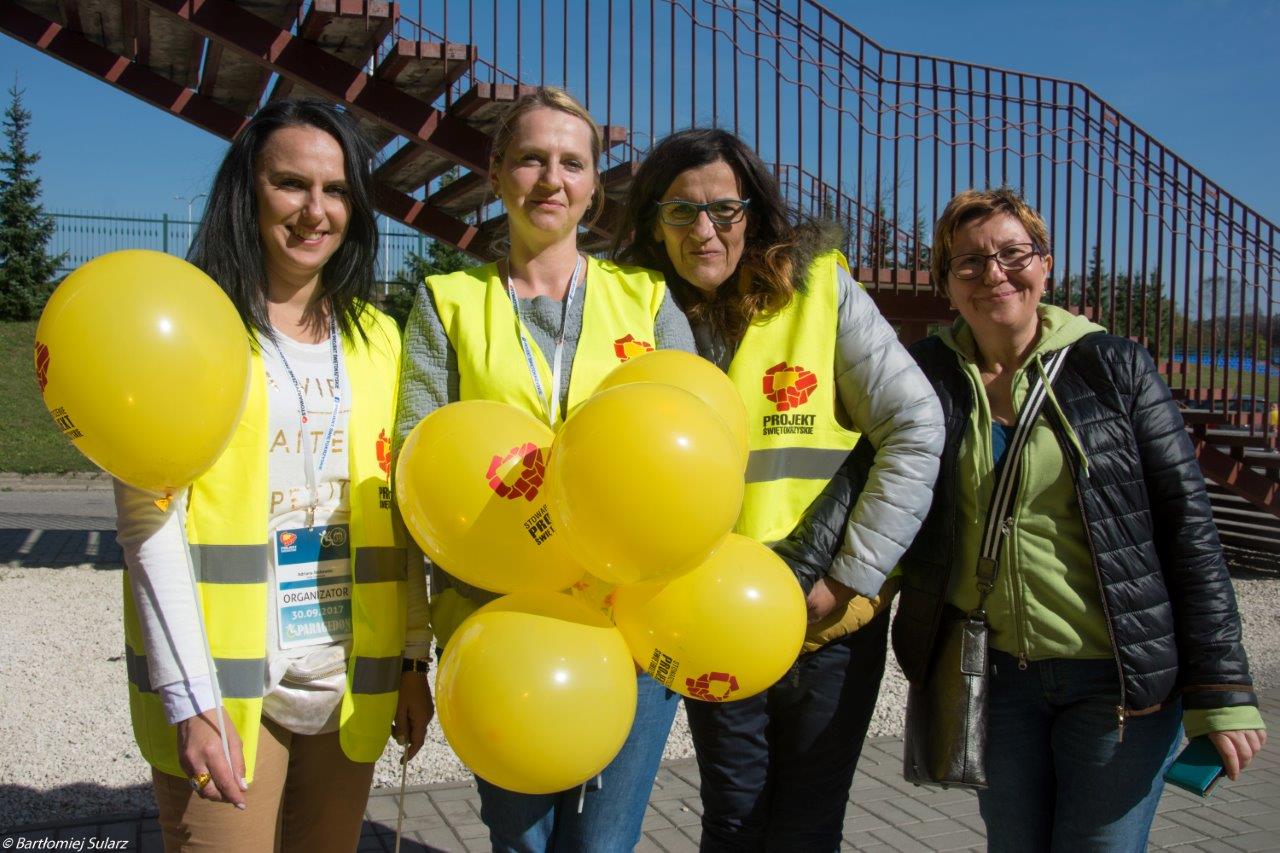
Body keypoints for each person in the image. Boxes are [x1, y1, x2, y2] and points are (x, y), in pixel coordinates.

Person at [877, 186, 1265, 849]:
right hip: (994, 677)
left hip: (1118, 679)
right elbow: (882, 497)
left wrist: (1223, 688)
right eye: (969, 261)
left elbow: (1188, 528)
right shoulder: (923, 377)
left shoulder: (1113, 367)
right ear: (946, 283)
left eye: (1013, 253)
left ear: (1045, 264)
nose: (994, 273)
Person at [613, 128, 944, 851]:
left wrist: (848, 577)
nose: (704, 230)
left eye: (724, 210)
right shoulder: (633, 312)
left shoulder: (818, 289)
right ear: (654, 224)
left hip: (825, 618)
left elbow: (915, 425)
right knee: (732, 819)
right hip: (714, 616)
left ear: (754, 213)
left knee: (806, 826)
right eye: (681, 211)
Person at [114, 99, 433, 852]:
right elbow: (147, 522)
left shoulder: (380, 339)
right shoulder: (189, 327)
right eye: (291, 183)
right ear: (247, 191)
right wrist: (190, 699)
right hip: (225, 684)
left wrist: (411, 659)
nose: (315, 210)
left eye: (337, 189)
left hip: (349, 675)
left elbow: (399, 514)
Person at [393, 87, 697, 852]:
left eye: (572, 162)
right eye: (531, 158)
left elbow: (699, 455)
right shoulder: (447, 303)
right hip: (499, 627)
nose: (551, 179)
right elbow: (414, 472)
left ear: (595, 185)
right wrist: (411, 649)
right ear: (496, 173)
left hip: (629, 624)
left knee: (602, 845)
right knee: (520, 844)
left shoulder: (647, 300)